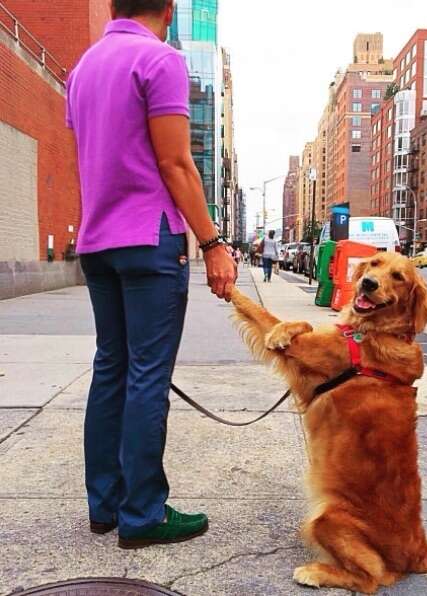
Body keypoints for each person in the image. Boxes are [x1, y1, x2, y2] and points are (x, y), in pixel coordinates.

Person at [66, 0, 237, 549]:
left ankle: (105, 505)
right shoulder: (159, 60)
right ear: (168, 8)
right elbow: (176, 163)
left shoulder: (83, 68)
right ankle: (142, 513)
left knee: (111, 366)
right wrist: (212, 242)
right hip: (149, 236)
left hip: (97, 240)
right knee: (147, 374)